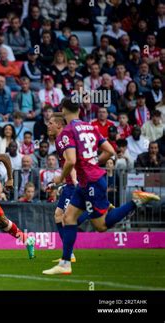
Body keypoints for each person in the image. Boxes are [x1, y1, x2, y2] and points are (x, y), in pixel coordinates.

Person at [43, 98, 160, 275]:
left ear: (64, 110)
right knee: (68, 217)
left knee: (101, 226)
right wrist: (93, 162)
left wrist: (60, 178)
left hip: (91, 182)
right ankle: (65, 263)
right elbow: (111, 151)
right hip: (87, 181)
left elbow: (71, 161)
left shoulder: (67, 131)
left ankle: (136, 201)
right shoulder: (90, 126)